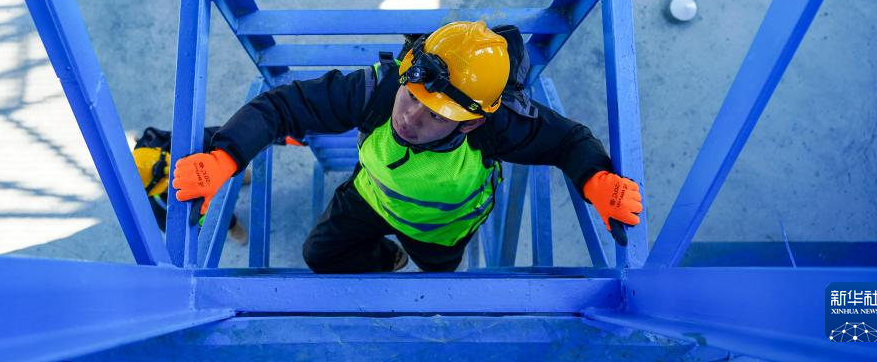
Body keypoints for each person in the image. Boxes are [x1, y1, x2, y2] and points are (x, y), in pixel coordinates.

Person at [171, 21, 642, 273]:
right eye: (412, 96)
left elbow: (568, 141)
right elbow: (281, 107)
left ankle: (407, 258)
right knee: (320, 256)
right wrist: (226, 156)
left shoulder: (498, 127)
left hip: (441, 231)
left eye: (437, 115)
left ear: (472, 122)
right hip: (371, 196)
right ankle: (388, 259)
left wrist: (596, 180)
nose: (410, 118)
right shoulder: (379, 90)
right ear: (407, 71)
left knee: (438, 276)